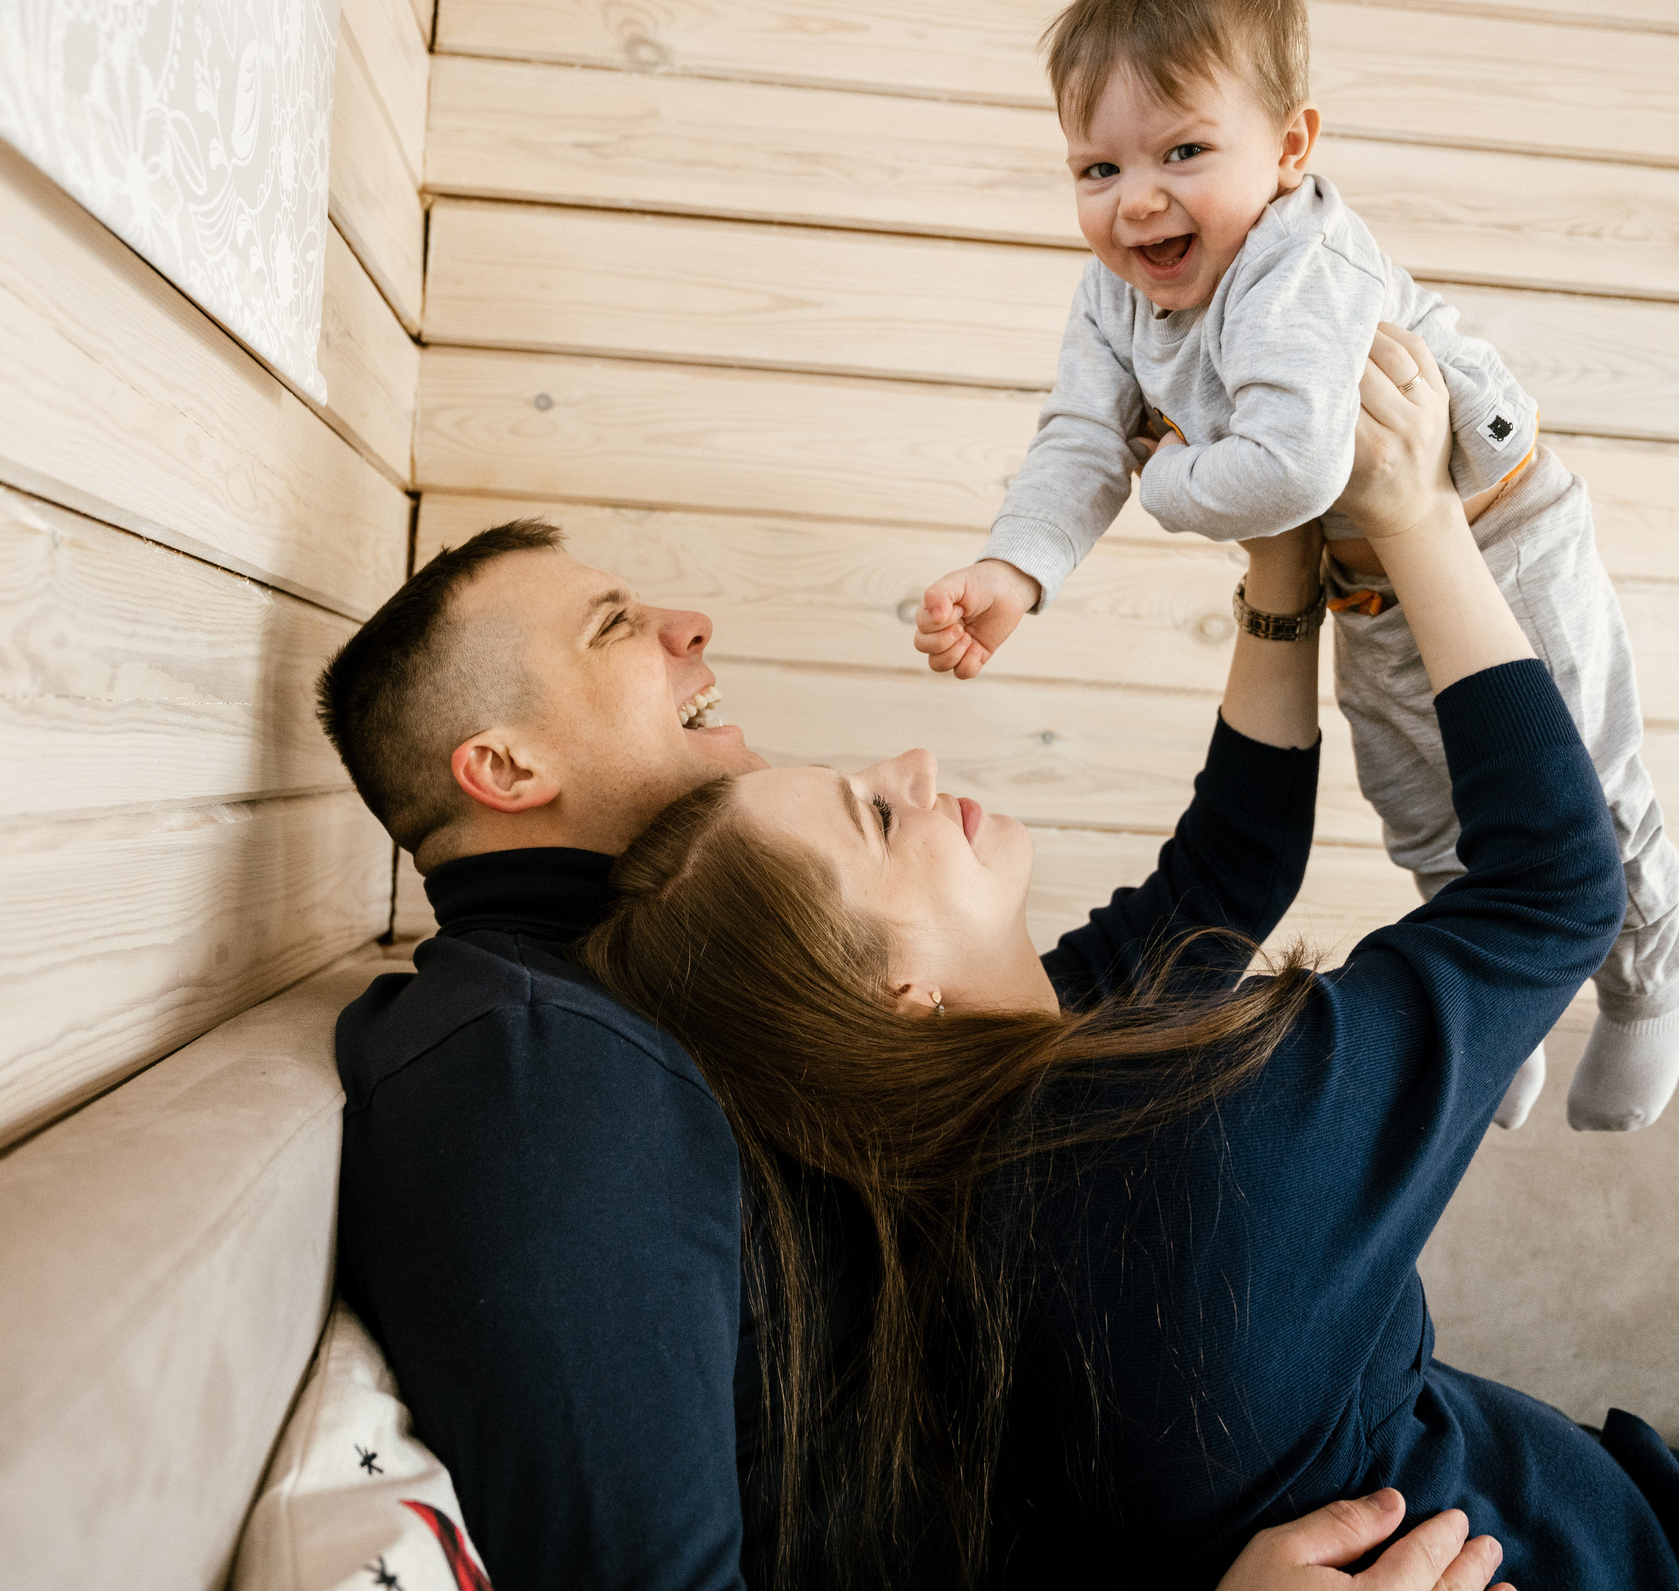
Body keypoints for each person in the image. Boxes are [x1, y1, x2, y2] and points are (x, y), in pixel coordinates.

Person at [586, 325, 1679, 1590]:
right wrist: (1420, 517)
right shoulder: (1201, 1148)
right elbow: (1555, 892)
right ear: (892, 995)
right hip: (1641, 1566)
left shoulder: (958, 1159)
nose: (916, 765)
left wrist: (1283, 566)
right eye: (871, 814)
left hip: (1604, 1503)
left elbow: (1226, 873)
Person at [312, 519, 1523, 1588]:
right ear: (506, 767)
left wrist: (1280, 571)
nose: (689, 625)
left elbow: (1213, 890)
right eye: (614, 625)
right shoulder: (540, 1065)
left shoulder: (696, 968)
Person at [910, 0, 1679, 1134]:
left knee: (1576, 778)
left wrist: (1169, 478)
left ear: (1288, 148)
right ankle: (1500, 1013)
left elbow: (1290, 468)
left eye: (1182, 150)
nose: (1137, 201)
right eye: (1097, 169)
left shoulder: (1300, 263)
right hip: (1362, 583)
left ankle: (1648, 981)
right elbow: (1081, 435)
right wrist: (1016, 565)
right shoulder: (1115, 295)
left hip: (1502, 538)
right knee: (1415, 800)